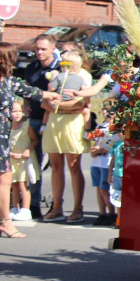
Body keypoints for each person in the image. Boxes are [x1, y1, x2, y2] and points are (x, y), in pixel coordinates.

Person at [0, 43, 60, 238]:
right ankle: (5, 223)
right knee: (4, 178)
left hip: (2, 136)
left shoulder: (9, 81)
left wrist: (51, 94)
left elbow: (31, 92)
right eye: (8, 58)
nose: (11, 62)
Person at [41, 50, 92, 223]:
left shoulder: (82, 78)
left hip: (72, 123)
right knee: (55, 165)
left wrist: (58, 105)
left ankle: (78, 208)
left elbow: (81, 103)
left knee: (73, 165)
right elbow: (44, 101)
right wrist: (61, 107)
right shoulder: (57, 77)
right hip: (55, 121)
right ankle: (56, 207)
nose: (64, 65)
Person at [23, 35, 61, 217]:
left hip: (54, 120)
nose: (39, 52)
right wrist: (24, 108)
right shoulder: (31, 68)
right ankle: (34, 204)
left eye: (43, 49)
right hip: (35, 119)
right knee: (34, 163)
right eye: (37, 48)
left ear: (53, 49)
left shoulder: (61, 69)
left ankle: (57, 204)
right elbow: (26, 90)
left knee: (56, 164)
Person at [9, 99, 38, 222]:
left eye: (19, 111)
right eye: (14, 111)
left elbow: (34, 140)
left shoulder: (26, 126)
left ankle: (26, 209)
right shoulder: (8, 127)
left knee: (22, 184)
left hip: (24, 159)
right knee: (14, 184)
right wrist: (10, 153)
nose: (17, 114)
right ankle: (15, 207)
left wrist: (27, 150)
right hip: (12, 158)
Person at [89, 113, 116, 226]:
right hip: (97, 162)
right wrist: (94, 151)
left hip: (106, 162)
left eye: (109, 110)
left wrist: (101, 150)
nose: (105, 113)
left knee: (104, 189)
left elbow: (115, 146)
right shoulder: (100, 126)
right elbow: (96, 142)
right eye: (104, 109)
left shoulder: (115, 128)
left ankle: (111, 213)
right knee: (99, 188)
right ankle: (102, 213)